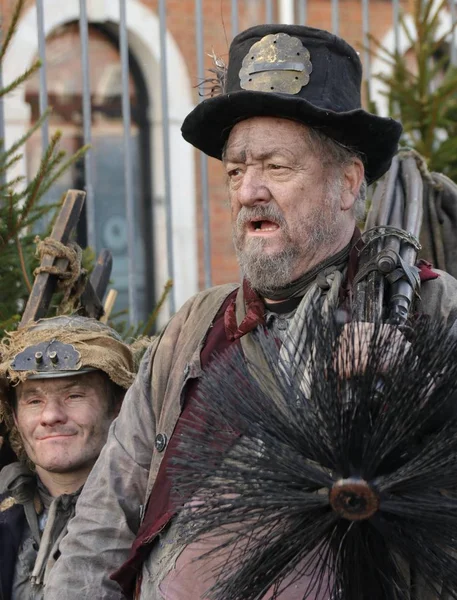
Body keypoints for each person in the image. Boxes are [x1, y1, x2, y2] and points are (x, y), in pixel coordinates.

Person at [45, 24, 457, 600]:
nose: (247, 192)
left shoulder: (434, 311)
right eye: (236, 170)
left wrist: (419, 395)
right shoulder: (193, 329)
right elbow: (102, 524)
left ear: (347, 182)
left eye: (276, 167)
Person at [0, 315, 136, 599]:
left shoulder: (152, 517)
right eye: (34, 401)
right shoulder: (4, 510)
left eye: (74, 395)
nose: (50, 416)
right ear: (15, 416)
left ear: (119, 407)